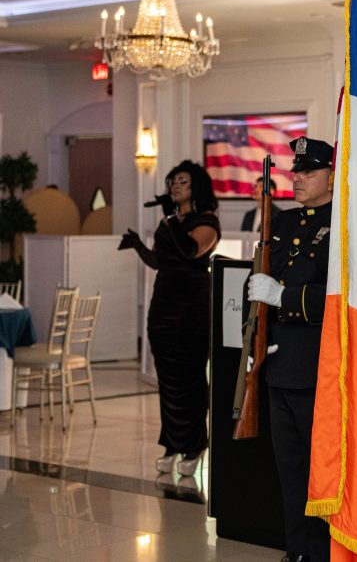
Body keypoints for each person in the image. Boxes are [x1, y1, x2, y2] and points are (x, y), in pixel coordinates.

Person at [246, 136, 333, 562]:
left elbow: (341, 296)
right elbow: (257, 285)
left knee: (322, 470)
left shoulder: (344, 226)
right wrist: (252, 342)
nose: (298, 178)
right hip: (278, 364)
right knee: (289, 468)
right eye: (296, 171)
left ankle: (323, 552)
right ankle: (297, 550)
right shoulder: (280, 224)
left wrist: (284, 298)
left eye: (309, 171)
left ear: (331, 176)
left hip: (318, 367)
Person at [118, 160, 221, 478]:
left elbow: (189, 251)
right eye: (173, 181)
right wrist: (137, 245)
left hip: (191, 311)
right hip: (163, 308)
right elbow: (160, 261)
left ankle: (194, 445)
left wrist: (170, 219)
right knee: (169, 382)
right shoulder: (170, 221)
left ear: (196, 187)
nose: (175, 186)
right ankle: (172, 444)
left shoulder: (207, 221)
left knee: (190, 380)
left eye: (182, 181)